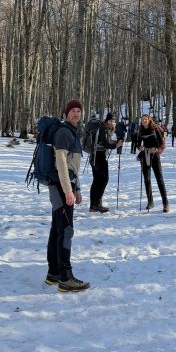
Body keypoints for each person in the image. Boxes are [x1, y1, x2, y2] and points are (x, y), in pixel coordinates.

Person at [45, 100, 90, 292]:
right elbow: (61, 163)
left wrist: (76, 188)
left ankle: (54, 272)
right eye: (73, 110)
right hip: (61, 186)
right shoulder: (64, 132)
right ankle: (66, 277)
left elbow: (73, 165)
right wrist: (68, 190)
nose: (76, 113)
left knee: (58, 229)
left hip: (65, 185)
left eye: (79, 110)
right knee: (66, 230)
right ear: (66, 113)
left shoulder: (72, 132)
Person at [89, 112, 123, 212]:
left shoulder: (104, 129)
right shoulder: (103, 128)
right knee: (104, 179)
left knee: (97, 180)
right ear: (107, 121)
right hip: (98, 157)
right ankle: (96, 204)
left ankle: (93, 205)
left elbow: (104, 142)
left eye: (113, 121)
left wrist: (114, 142)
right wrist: (116, 145)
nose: (112, 122)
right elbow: (105, 144)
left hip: (95, 156)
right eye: (110, 121)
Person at [138, 114, 169, 212]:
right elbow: (139, 143)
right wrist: (141, 147)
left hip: (155, 156)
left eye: (145, 119)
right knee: (147, 180)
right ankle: (150, 202)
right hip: (145, 155)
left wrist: (156, 149)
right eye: (142, 120)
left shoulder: (155, 129)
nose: (144, 121)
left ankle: (165, 204)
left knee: (159, 179)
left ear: (149, 120)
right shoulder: (141, 130)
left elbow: (161, 143)